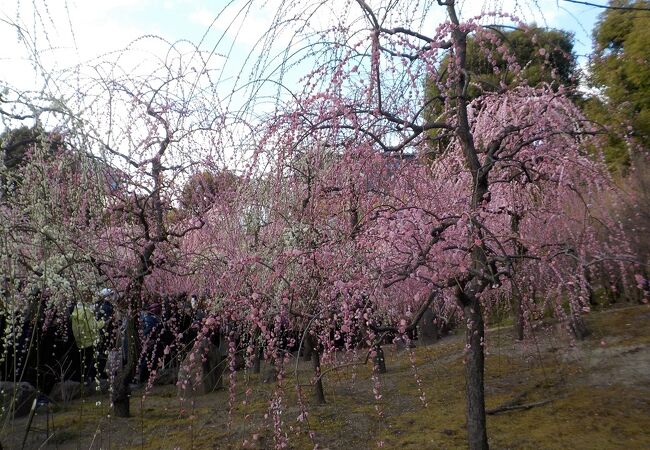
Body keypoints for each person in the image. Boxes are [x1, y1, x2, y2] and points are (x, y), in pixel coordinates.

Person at [70, 297, 104, 383]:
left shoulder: (76, 310)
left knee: (82, 362)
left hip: (80, 341)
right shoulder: (86, 311)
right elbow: (92, 326)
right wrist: (103, 323)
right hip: (90, 340)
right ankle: (89, 380)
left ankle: (82, 379)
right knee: (91, 362)